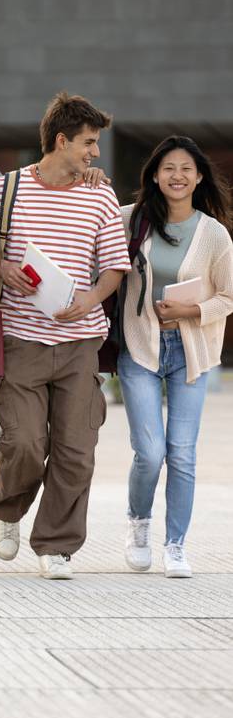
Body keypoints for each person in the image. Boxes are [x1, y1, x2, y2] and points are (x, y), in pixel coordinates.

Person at [0, 91, 131, 579]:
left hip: (80, 343)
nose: (94, 154)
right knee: (24, 442)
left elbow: (113, 267)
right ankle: (7, 508)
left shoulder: (99, 193)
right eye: (88, 143)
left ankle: (56, 545)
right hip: (21, 338)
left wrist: (88, 299)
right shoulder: (4, 191)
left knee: (75, 451)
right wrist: (3, 267)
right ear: (61, 140)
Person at [119, 136, 233, 579]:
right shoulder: (132, 220)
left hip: (191, 350)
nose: (177, 176)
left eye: (186, 168)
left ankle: (176, 544)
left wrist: (191, 311)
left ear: (199, 176)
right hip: (140, 345)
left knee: (182, 453)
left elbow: (228, 296)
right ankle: (138, 524)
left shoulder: (213, 234)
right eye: (168, 168)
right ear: (154, 175)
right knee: (149, 452)